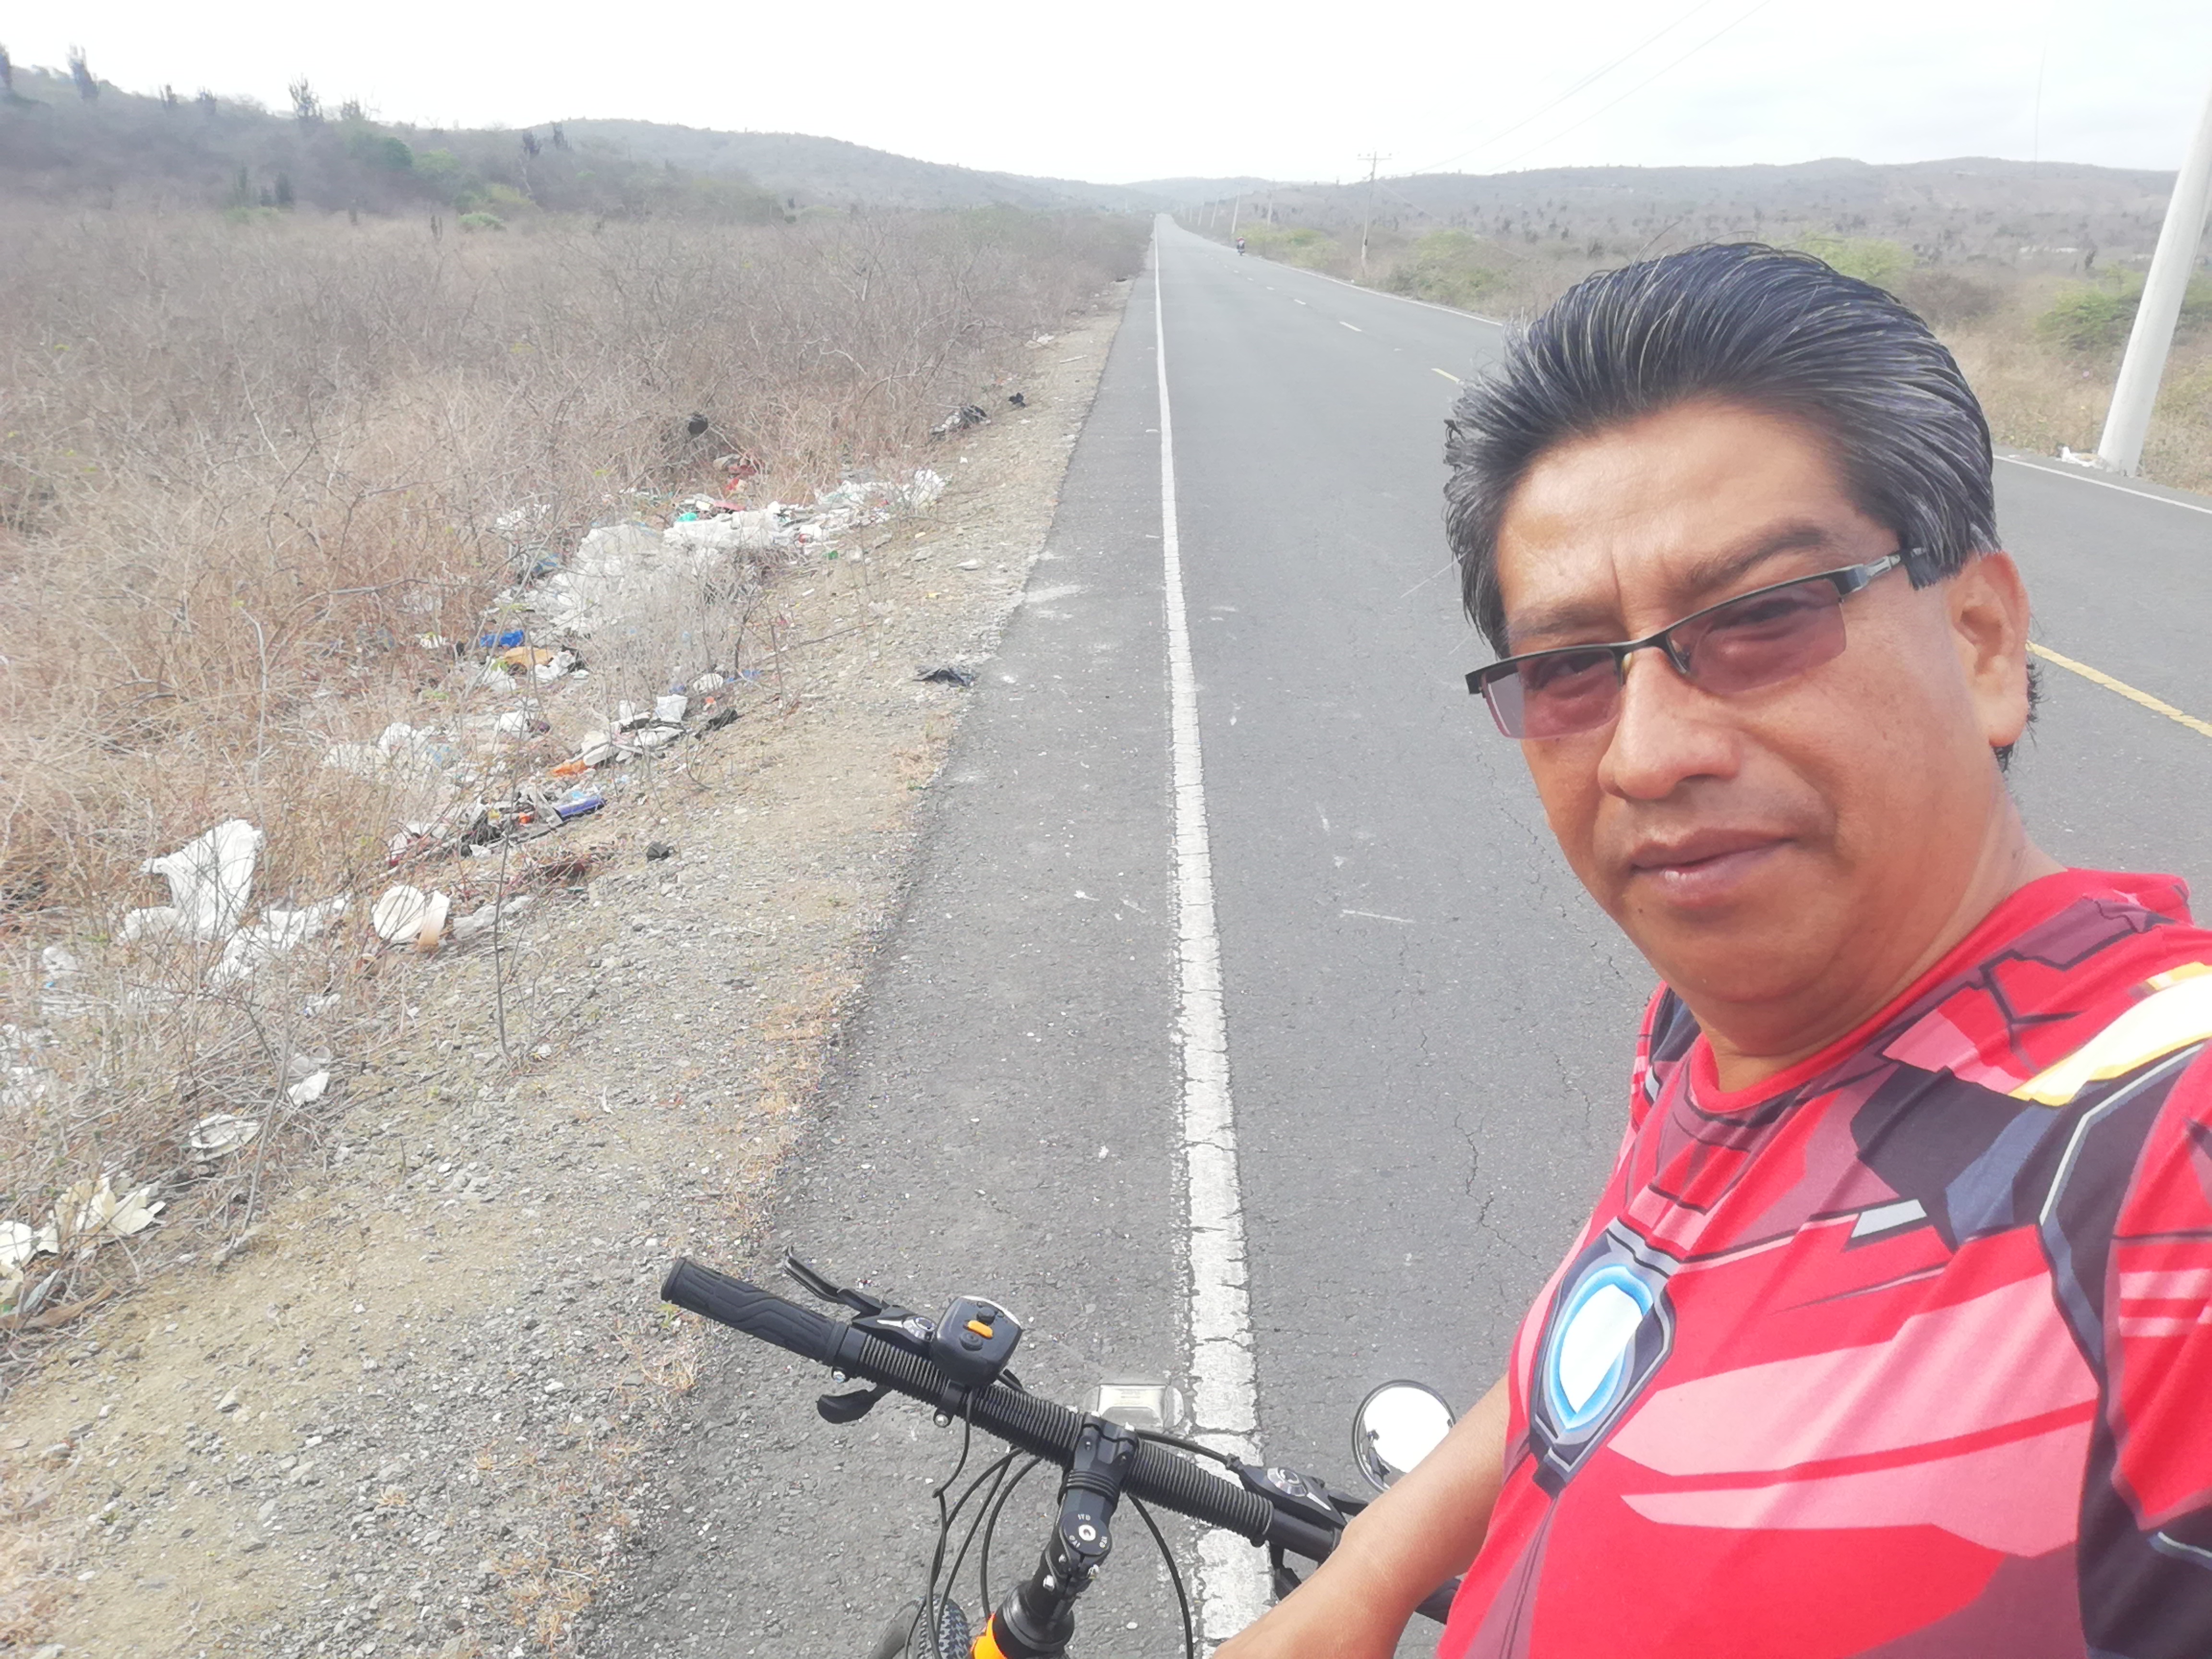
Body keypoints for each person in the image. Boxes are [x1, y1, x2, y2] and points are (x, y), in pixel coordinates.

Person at [1219, 244, 2212, 1658]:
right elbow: (1636, 1316)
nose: (1647, 753)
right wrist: (1366, 1579)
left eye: (1761, 618)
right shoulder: (1716, 1029)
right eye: (1569, 667)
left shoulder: (2165, 1162)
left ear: (1983, 640)